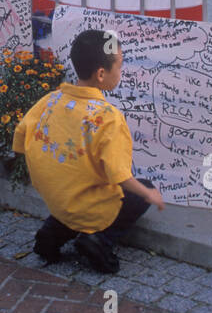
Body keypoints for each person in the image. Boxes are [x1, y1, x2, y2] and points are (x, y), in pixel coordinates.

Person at [12, 29, 164, 273]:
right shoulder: (109, 118)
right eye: (120, 66)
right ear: (102, 74)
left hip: (56, 198)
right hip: (88, 205)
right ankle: (98, 239)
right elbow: (121, 177)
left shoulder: (51, 100)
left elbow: (20, 138)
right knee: (141, 190)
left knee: (76, 182)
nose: (121, 72)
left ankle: (57, 228)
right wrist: (149, 195)